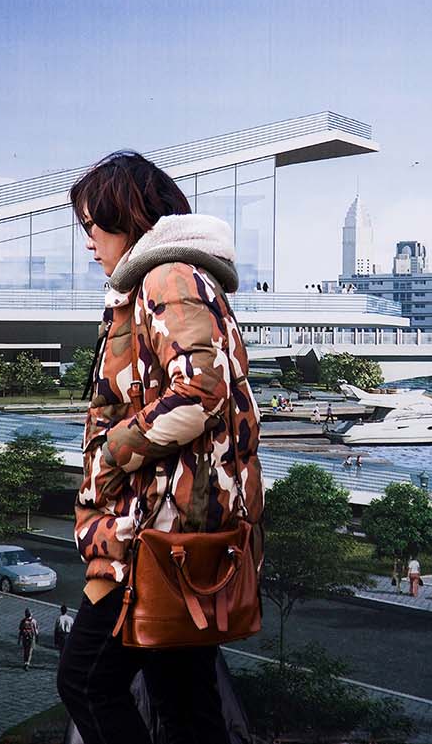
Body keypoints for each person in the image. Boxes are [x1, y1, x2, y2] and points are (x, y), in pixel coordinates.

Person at [56, 151, 264, 744]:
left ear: (127, 216)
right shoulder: (174, 280)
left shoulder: (167, 278)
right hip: (180, 529)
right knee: (186, 705)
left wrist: (112, 452)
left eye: (92, 227)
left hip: (154, 533)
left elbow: (201, 389)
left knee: (88, 681)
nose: (89, 243)